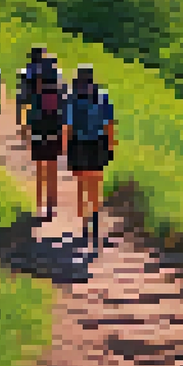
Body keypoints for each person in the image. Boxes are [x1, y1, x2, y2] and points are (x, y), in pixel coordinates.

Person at [62, 64, 116, 250]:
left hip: (79, 144)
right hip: (98, 144)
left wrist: (66, 148)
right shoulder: (103, 96)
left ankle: (84, 224)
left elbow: (68, 127)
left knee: (81, 185)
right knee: (95, 185)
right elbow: (109, 124)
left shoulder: (72, 98)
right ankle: (94, 219)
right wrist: (110, 146)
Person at [27, 55, 66, 221]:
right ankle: (52, 205)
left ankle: (39, 205)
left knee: (39, 171)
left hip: (38, 133)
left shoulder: (36, 92)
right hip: (54, 132)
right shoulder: (59, 91)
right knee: (52, 170)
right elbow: (64, 115)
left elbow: (30, 116)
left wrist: (27, 134)